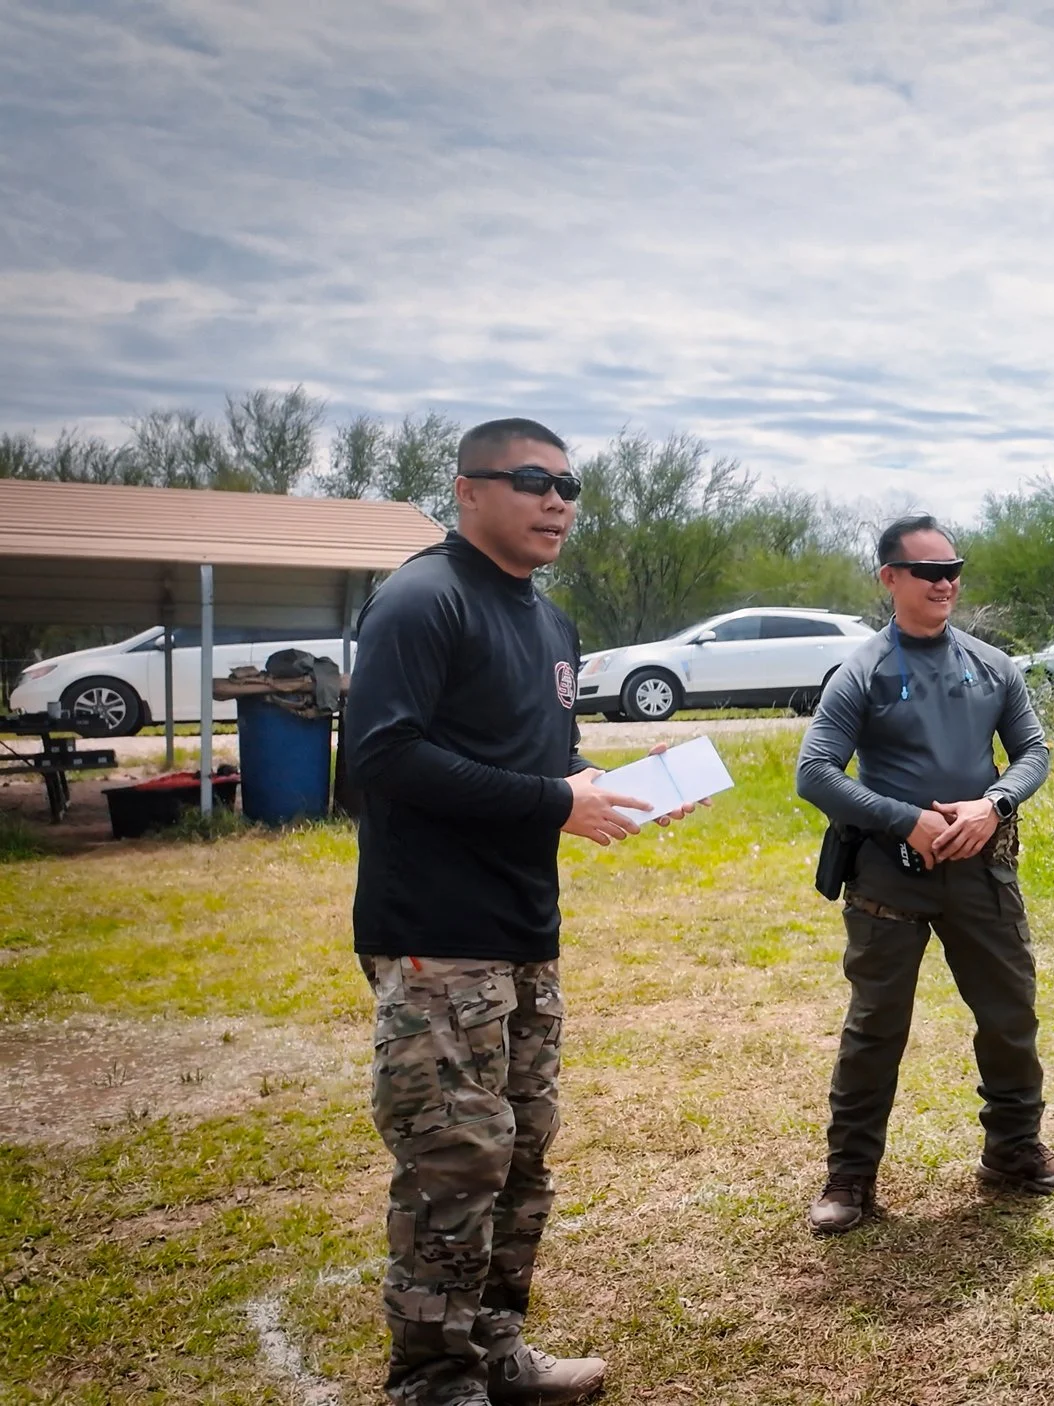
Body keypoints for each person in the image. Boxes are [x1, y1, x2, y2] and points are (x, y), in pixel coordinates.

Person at [345, 418, 690, 1406]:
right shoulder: (423, 599)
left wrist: (616, 787)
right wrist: (552, 800)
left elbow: (544, 758)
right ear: (467, 489)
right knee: (454, 1158)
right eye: (533, 480)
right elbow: (384, 756)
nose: (556, 502)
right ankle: (432, 1378)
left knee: (521, 1152)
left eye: (569, 486)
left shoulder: (549, 622)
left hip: (523, 928)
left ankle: (496, 1350)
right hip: (435, 929)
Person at [795, 514, 1054, 1234]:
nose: (944, 582)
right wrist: (905, 820)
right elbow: (815, 772)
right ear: (890, 578)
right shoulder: (862, 671)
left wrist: (995, 803)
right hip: (889, 877)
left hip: (982, 871)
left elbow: (1033, 753)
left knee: (1010, 1014)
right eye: (927, 571)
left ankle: (1014, 1150)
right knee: (875, 1027)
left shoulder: (992, 666)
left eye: (953, 569)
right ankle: (850, 1177)